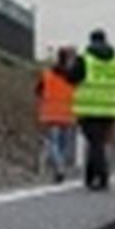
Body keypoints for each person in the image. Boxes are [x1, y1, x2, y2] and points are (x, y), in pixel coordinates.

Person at [65, 30, 115, 191]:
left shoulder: (85, 59)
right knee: (98, 143)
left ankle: (102, 176)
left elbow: (71, 78)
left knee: (95, 143)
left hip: (89, 108)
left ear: (91, 41)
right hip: (111, 109)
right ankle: (90, 177)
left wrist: (70, 64)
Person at [36, 47, 79, 183]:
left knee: (53, 143)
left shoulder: (47, 74)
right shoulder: (73, 77)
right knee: (63, 145)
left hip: (51, 114)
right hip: (66, 114)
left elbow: (38, 91)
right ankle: (60, 168)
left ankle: (59, 169)